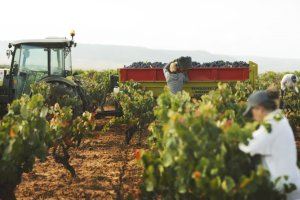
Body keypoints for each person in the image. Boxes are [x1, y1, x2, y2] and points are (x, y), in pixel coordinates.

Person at [239, 89, 300, 200]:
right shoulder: (280, 119)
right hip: (291, 184)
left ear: (260, 109)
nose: (252, 117)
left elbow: (245, 146)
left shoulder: (271, 127)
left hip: (285, 192)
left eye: (252, 112)